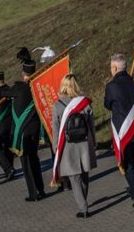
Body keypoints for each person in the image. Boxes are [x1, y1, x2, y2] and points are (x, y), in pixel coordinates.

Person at [52, 73, 97, 218]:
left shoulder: (58, 105)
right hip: (84, 143)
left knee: (74, 177)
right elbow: (91, 125)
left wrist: (55, 147)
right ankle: (83, 200)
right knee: (84, 174)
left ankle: (83, 208)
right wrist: (94, 142)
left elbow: (56, 128)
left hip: (68, 144)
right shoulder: (84, 102)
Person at [104, 53, 134, 208]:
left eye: (111, 67)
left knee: (127, 163)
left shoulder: (112, 86)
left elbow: (107, 105)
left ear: (115, 67)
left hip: (123, 131)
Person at [10, 48, 45, 202]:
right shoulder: (38, 85)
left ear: (23, 73)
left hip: (24, 130)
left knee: (26, 162)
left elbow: (5, 93)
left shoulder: (19, 87)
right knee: (34, 158)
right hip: (36, 127)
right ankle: (41, 189)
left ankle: (33, 194)